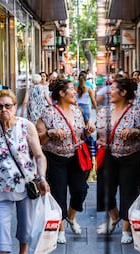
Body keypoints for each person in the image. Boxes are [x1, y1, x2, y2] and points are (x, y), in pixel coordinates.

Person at [0, 90, 50, 254]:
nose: (4, 110)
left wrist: (41, 177)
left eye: (8, 106)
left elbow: (39, 156)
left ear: (15, 107)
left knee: (25, 225)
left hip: (25, 186)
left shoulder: (26, 126)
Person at [36, 78, 95, 244]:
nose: (75, 92)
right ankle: (60, 229)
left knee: (81, 189)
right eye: (71, 89)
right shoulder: (48, 113)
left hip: (76, 156)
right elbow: (37, 139)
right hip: (55, 159)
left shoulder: (77, 111)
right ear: (62, 93)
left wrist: (87, 132)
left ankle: (70, 216)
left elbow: (80, 133)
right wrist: (50, 133)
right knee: (59, 194)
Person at [96, 77, 140, 244]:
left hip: (132, 158)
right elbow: (98, 134)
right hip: (109, 156)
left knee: (128, 193)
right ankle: (114, 218)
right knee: (104, 193)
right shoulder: (103, 111)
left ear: (123, 92)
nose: (109, 91)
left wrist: (137, 132)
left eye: (113, 88)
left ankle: (126, 230)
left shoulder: (139, 113)